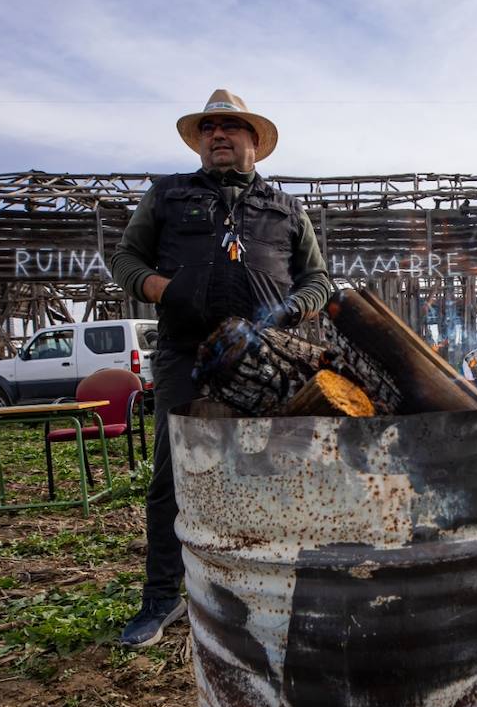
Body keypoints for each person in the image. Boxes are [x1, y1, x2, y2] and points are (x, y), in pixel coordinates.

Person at [111, 89, 333, 646]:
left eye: (230, 127)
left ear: (255, 142)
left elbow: (318, 279)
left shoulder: (285, 209)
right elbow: (125, 259)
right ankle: (162, 600)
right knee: (173, 476)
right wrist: (165, 287)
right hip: (187, 353)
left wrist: (294, 307)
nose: (218, 136)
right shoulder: (168, 195)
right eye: (209, 128)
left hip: (267, 358)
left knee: (273, 471)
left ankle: (270, 594)